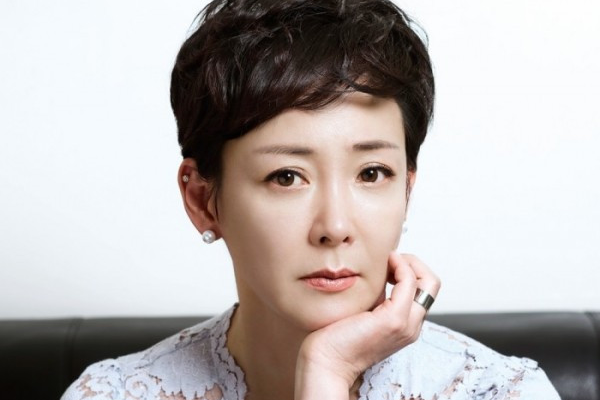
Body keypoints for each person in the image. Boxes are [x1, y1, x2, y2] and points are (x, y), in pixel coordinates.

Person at [62, 0, 561, 399]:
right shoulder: (112, 393)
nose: (335, 226)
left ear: (407, 189)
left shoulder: (500, 390)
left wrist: (329, 366)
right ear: (202, 200)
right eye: (286, 177)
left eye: (371, 173)